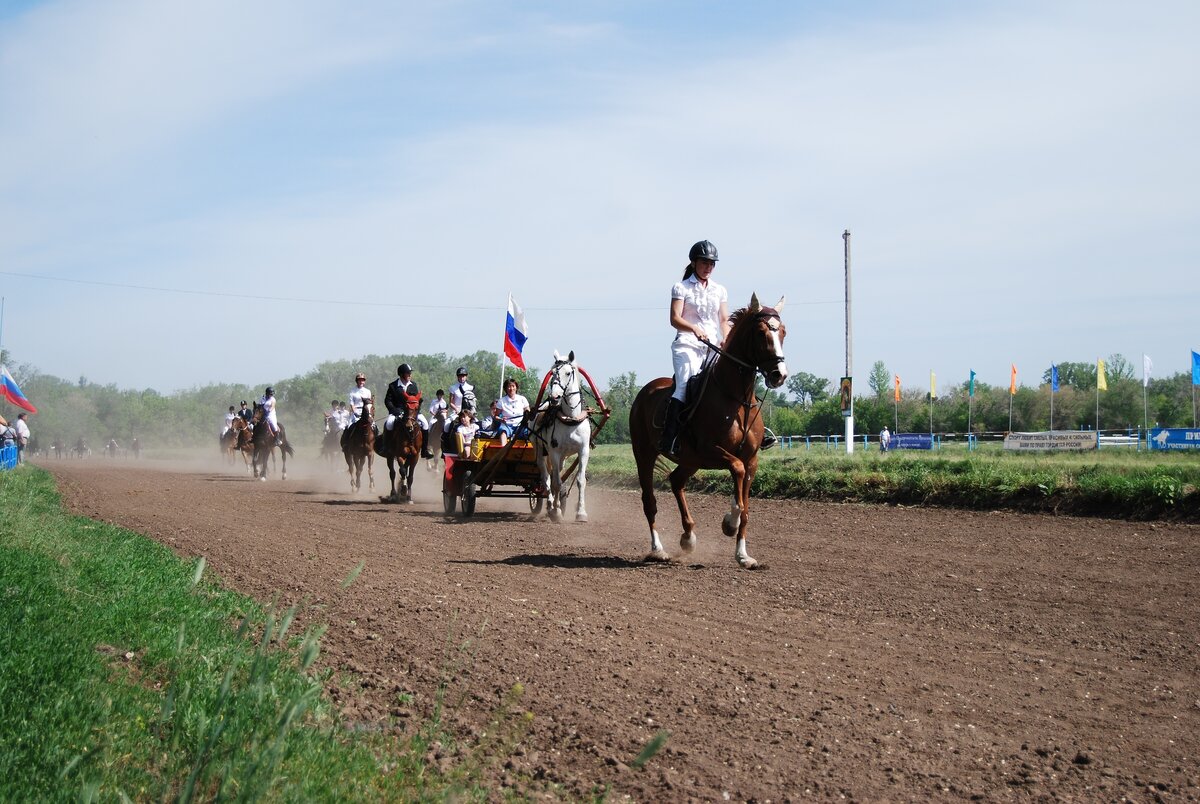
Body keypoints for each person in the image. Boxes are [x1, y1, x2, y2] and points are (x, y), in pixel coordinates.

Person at [661, 239, 731, 454]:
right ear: (693, 263)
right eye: (704, 263)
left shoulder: (720, 290)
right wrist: (693, 329)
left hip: (711, 346)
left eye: (712, 264)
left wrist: (726, 338)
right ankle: (670, 439)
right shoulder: (681, 287)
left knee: (732, 381)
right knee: (684, 385)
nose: (708, 267)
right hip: (687, 344)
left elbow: (723, 320)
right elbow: (674, 318)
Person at [384, 364, 434, 458]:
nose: (410, 375)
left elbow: (417, 400)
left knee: (425, 423)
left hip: (412, 412)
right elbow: (388, 400)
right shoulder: (393, 386)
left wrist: (416, 411)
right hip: (398, 411)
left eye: (410, 373)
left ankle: (424, 450)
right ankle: (387, 448)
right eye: (408, 373)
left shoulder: (413, 385)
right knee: (389, 423)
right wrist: (394, 410)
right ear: (402, 374)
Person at [496, 378, 531, 447]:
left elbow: (528, 413)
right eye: (509, 386)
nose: (511, 388)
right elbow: (496, 416)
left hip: (520, 425)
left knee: (529, 432)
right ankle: (503, 451)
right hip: (507, 425)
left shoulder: (522, 399)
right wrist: (501, 419)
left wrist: (527, 417)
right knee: (503, 431)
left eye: (513, 386)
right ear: (505, 389)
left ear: (516, 387)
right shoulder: (501, 401)